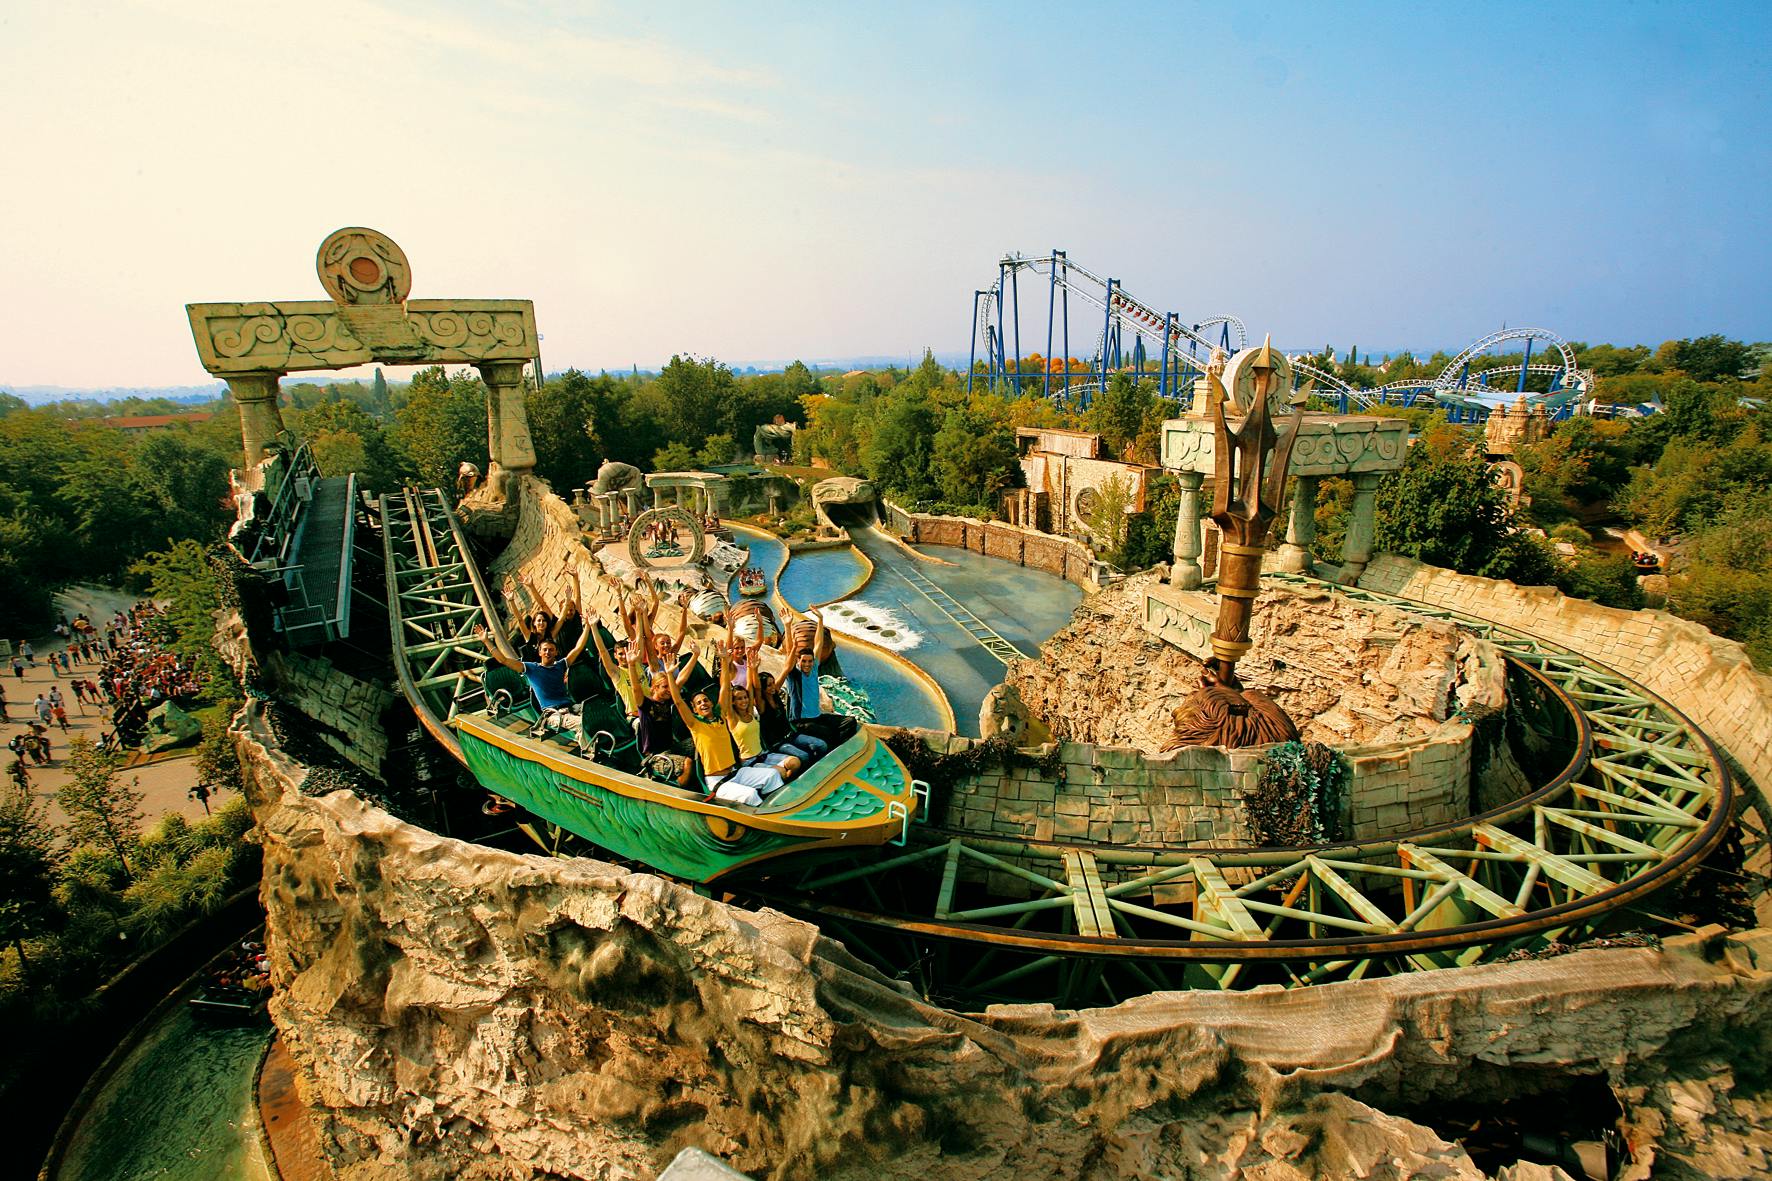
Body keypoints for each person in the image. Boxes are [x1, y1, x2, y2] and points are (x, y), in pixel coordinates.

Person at [666, 642, 784, 806]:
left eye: (706, 700)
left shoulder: (720, 717)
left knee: (773, 776)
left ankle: (778, 807)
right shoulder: (695, 724)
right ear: (694, 710)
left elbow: (724, 687)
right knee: (749, 795)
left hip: (736, 772)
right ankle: (764, 819)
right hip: (718, 781)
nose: (703, 704)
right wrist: (670, 675)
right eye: (699, 703)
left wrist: (723, 660)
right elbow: (678, 701)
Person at [476, 585, 592, 725]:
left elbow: (571, 636)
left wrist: (569, 603)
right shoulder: (529, 638)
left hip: (548, 671)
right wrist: (511, 601)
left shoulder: (550, 638)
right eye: (538, 621)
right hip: (534, 674)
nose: (541, 623)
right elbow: (505, 657)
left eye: (543, 620)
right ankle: (547, 712)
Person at [781, 609, 839, 750]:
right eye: (804, 662)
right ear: (798, 662)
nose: (807, 664)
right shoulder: (794, 675)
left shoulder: (813, 670)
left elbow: (818, 643)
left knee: (849, 722)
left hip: (817, 717)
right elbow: (790, 651)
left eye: (809, 661)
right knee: (829, 734)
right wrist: (787, 626)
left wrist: (820, 620)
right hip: (800, 722)